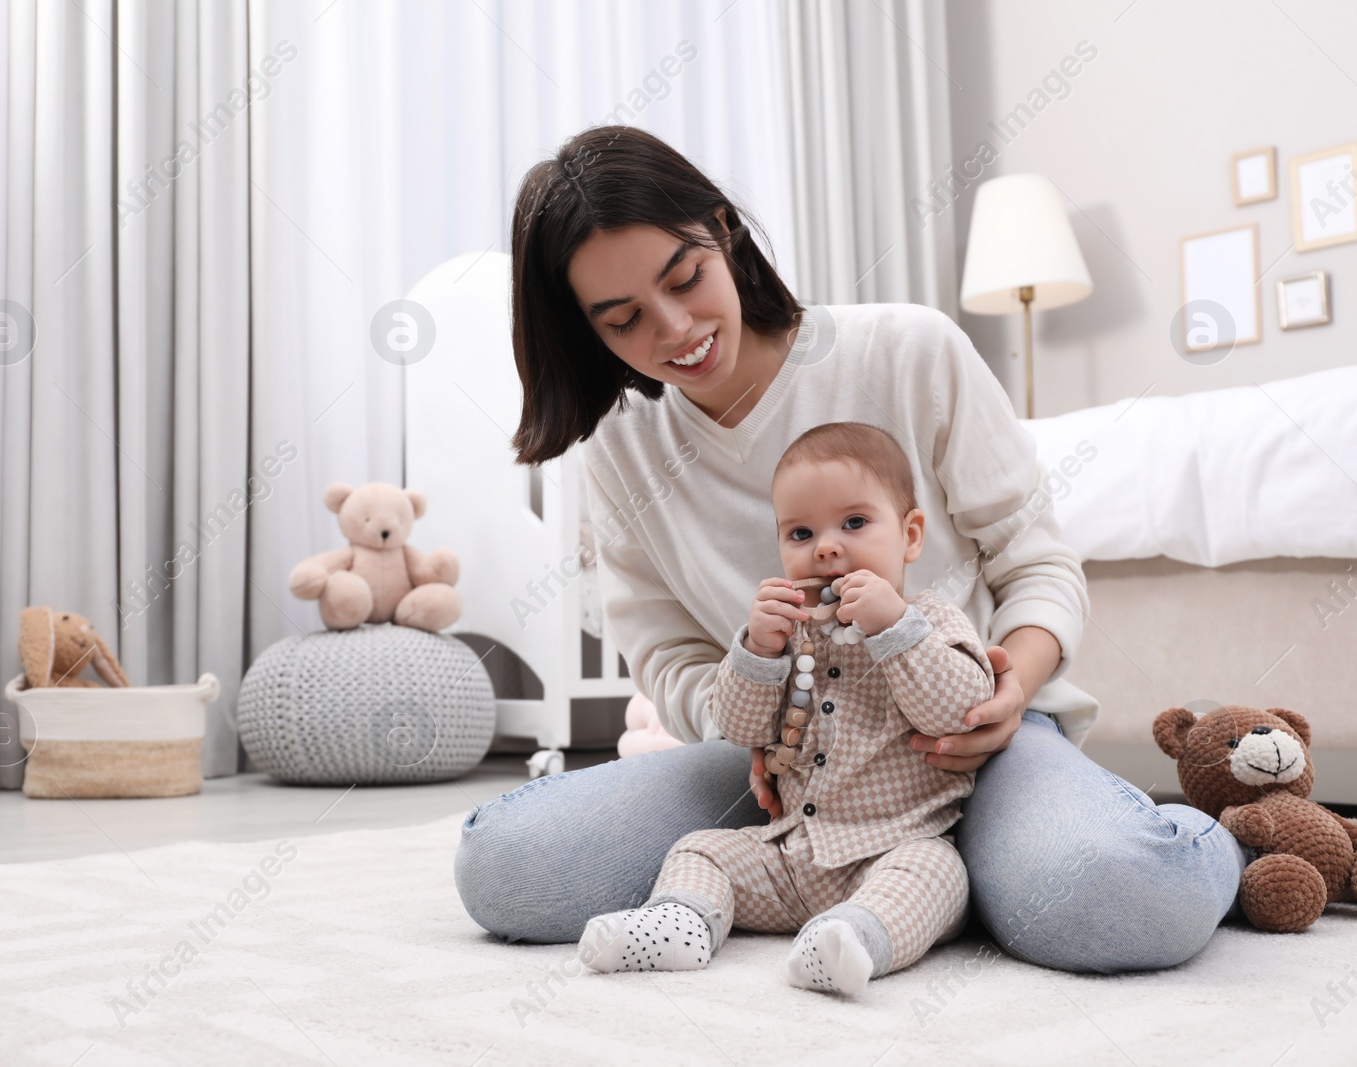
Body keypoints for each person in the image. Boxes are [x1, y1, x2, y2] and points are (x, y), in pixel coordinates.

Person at [454, 125, 1247, 973]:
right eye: (624, 320)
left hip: (974, 742)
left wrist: (1010, 687)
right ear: (587, 330)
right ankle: (947, 887)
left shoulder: (908, 350)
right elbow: (670, 657)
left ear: (723, 230)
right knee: (504, 866)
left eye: (685, 278)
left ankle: (1207, 837)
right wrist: (754, 728)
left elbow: (1036, 559)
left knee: (1128, 890)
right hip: (783, 768)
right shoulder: (622, 446)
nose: (676, 329)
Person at [578, 421, 995, 994]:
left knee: (938, 875)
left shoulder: (932, 620)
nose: (825, 547)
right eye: (800, 533)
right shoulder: (783, 636)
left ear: (911, 536)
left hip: (894, 848)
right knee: (701, 848)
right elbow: (736, 726)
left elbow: (958, 711)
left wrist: (894, 627)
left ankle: (852, 940)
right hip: (791, 857)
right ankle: (680, 923)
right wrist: (756, 652)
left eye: (854, 523)